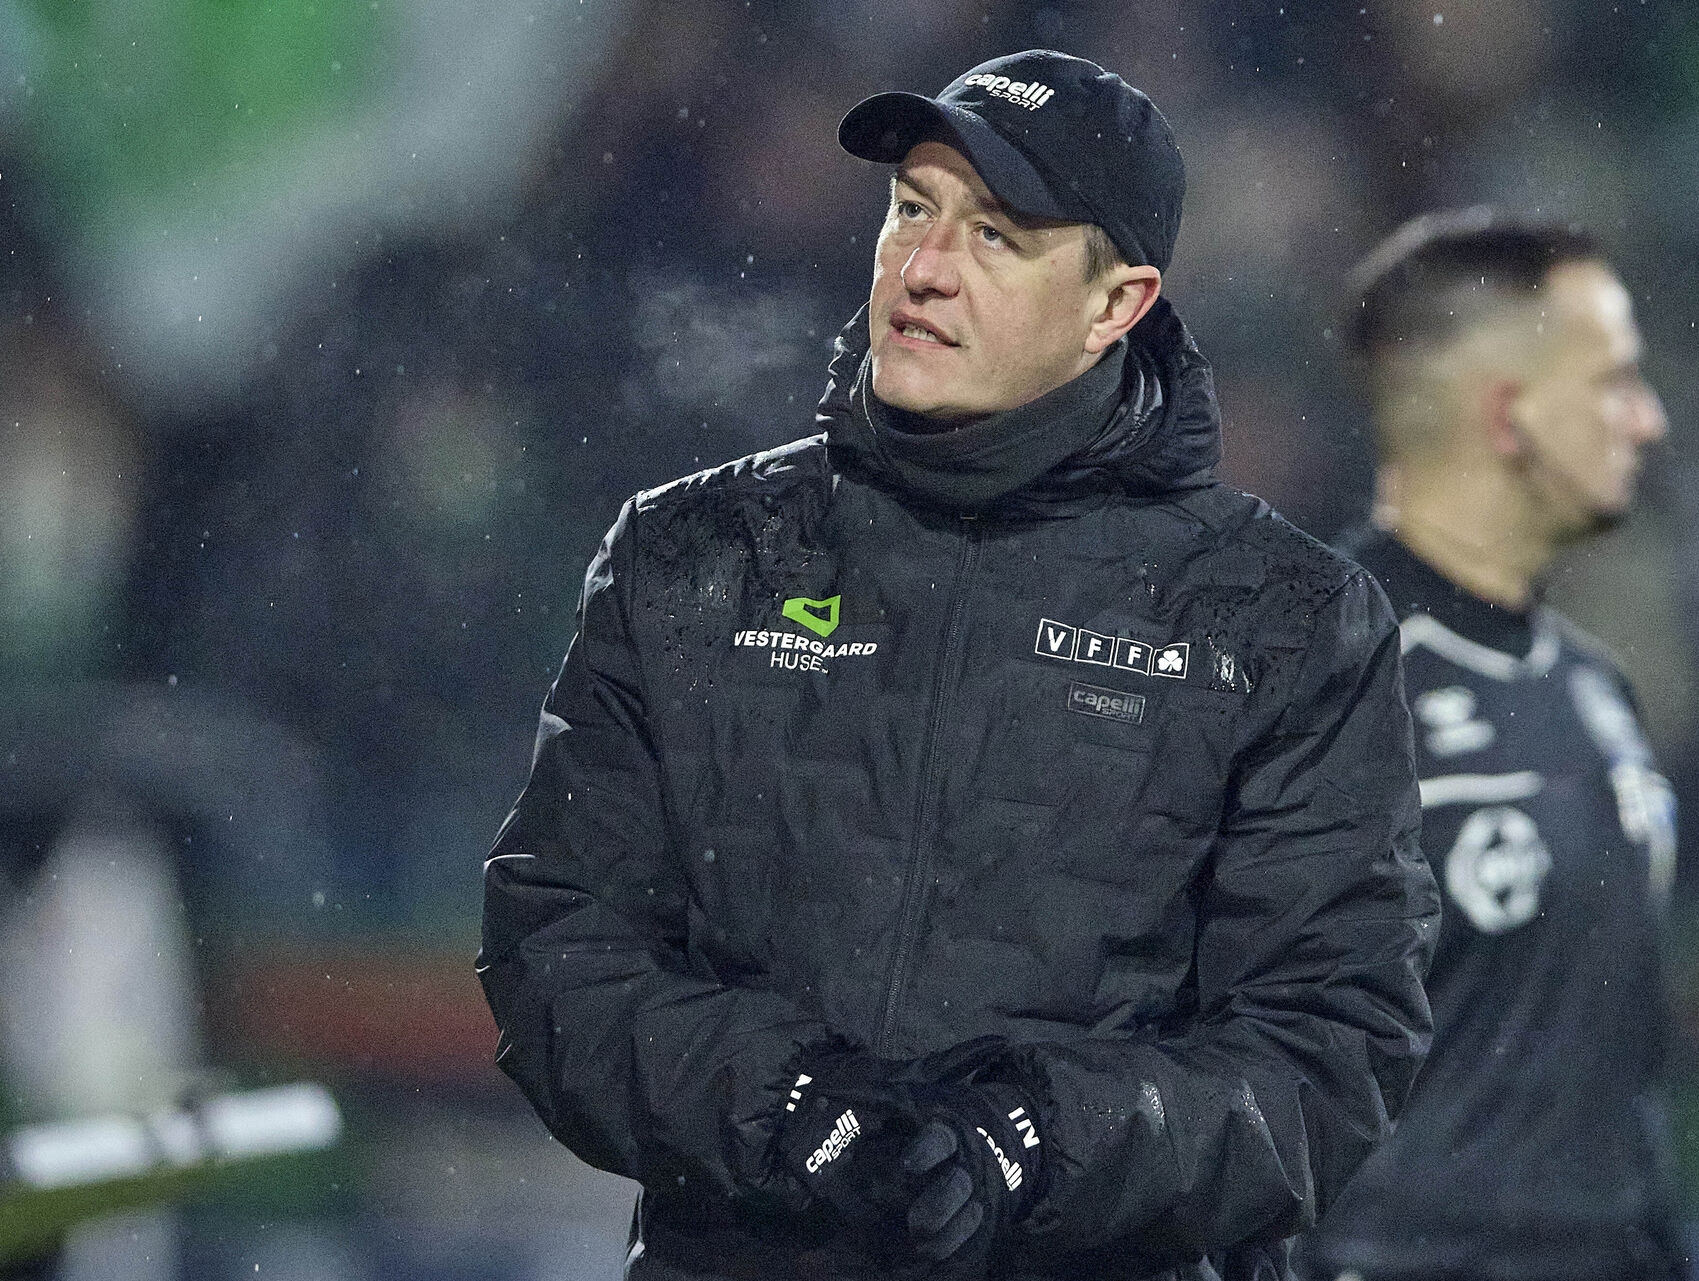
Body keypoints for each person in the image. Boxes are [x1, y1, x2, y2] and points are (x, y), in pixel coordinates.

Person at [478, 50, 1438, 1281]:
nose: (924, 267)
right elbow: (559, 943)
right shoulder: (694, 555)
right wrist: (789, 1109)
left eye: (996, 236)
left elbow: (1329, 1047)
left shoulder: (1285, 622)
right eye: (911, 209)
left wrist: (1033, 1145)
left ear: (1116, 305)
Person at [1295, 211, 1688, 1281]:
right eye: (1614, 381)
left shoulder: (1595, 688)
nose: (1646, 419)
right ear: (1508, 415)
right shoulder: (1322, 679)